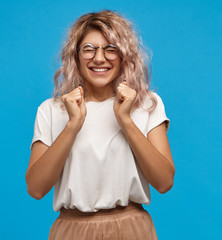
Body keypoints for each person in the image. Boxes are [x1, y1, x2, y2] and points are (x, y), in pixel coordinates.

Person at [25, 10, 175, 239]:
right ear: (75, 55)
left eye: (110, 49)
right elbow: (36, 189)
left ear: (124, 55)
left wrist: (125, 120)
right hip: (72, 230)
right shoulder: (51, 110)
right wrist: (72, 126)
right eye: (89, 49)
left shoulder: (146, 104)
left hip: (131, 229)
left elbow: (164, 182)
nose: (99, 58)